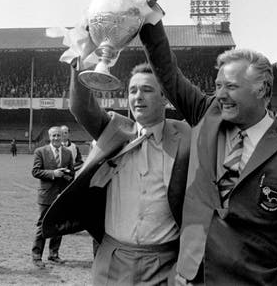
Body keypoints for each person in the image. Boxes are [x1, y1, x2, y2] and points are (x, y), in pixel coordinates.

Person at [139, 20, 277, 285]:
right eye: (218, 85)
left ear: (262, 89)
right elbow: (167, 71)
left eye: (230, 86)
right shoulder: (206, 114)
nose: (220, 95)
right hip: (191, 277)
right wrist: (149, 17)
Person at [44, 63, 192, 285]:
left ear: (165, 97)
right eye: (132, 91)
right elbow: (81, 107)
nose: (138, 97)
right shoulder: (116, 131)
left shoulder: (185, 136)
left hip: (164, 261)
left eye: (147, 90)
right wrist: (80, 64)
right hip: (112, 258)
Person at [31, 126, 74, 268]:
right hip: (46, 195)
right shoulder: (40, 152)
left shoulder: (68, 153)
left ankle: (53, 254)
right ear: (49, 137)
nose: (56, 138)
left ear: (63, 137)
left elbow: (72, 174)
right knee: (42, 225)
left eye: (59, 135)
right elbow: (36, 171)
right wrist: (53, 173)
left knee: (59, 226)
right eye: (53, 135)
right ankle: (37, 256)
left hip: (61, 195)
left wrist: (67, 175)